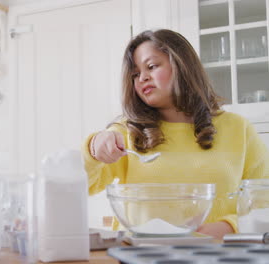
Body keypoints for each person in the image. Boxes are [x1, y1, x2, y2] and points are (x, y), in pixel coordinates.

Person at [82, 29, 269, 239]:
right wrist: (94, 148)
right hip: (140, 256)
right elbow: (82, 186)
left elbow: (264, 200)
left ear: (182, 65)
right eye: (135, 74)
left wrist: (230, 226)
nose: (142, 77)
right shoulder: (125, 133)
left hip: (216, 255)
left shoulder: (238, 128)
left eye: (151, 67)